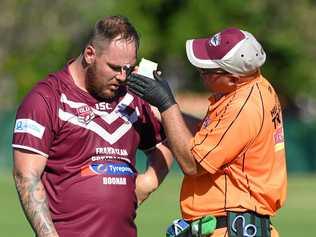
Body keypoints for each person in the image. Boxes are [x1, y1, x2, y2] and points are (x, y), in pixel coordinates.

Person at [12, 15, 173, 237]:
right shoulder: (46, 98)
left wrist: (148, 182)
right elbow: (26, 176)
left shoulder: (132, 97)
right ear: (90, 54)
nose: (122, 76)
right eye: (115, 67)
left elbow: (165, 143)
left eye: (128, 68)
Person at [127, 27, 287, 237]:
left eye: (207, 70)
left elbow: (192, 163)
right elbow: (208, 133)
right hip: (230, 224)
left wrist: (167, 104)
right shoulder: (252, 87)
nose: (200, 73)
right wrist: (158, 108)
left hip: (233, 228)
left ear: (232, 78)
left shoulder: (243, 107)